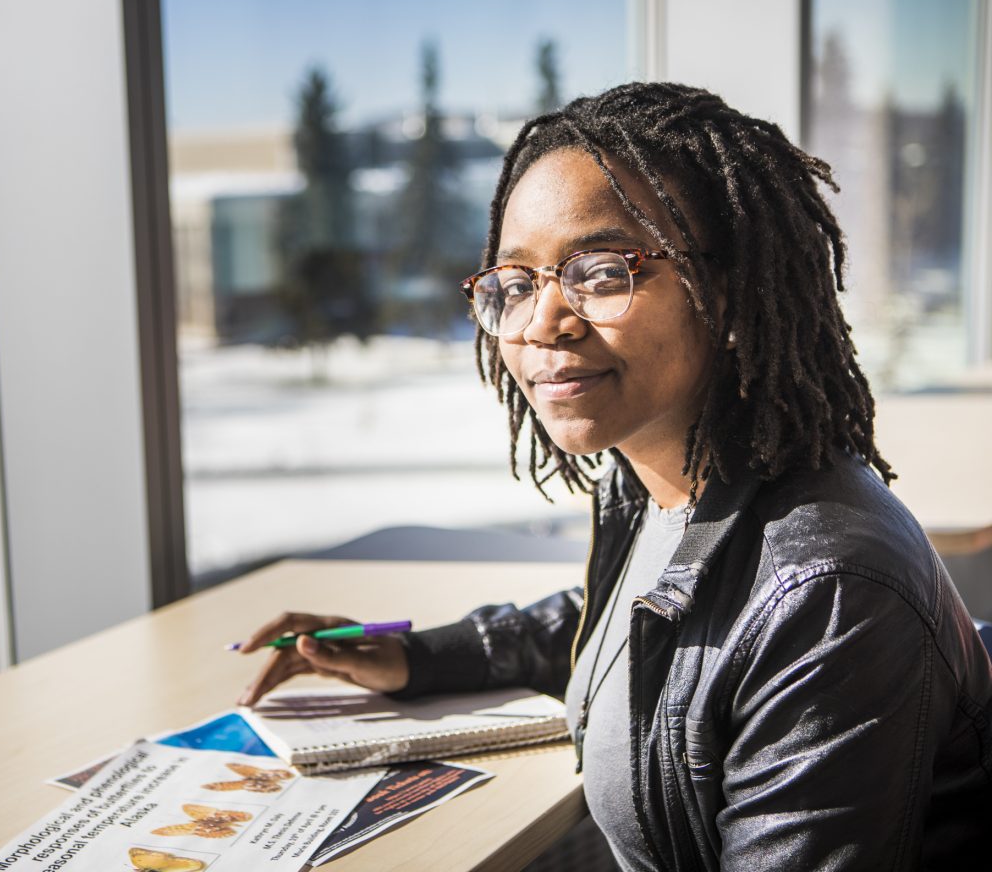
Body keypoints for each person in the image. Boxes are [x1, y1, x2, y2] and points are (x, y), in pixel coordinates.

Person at [235, 82, 992, 870]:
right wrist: (420, 658)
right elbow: (640, 623)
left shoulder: (828, 595)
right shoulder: (664, 478)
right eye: (517, 282)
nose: (540, 322)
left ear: (727, 291)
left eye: (599, 272)